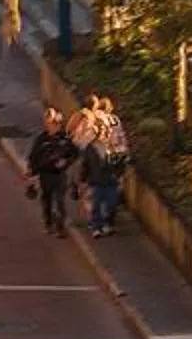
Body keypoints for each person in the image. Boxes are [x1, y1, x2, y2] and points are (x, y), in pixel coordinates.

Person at [82, 94, 130, 237]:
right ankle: (97, 227)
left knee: (112, 204)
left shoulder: (111, 144)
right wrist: (83, 178)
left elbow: (119, 156)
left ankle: (107, 224)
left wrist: (119, 172)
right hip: (97, 179)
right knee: (96, 205)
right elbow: (86, 163)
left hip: (109, 179)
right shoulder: (91, 146)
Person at [26, 108, 79, 236]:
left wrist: (66, 162)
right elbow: (33, 157)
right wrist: (30, 174)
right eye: (47, 121)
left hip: (60, 175)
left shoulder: (65, 139)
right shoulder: (41, 139)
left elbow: (74, 154)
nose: (50, 124)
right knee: (47, 200)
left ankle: (60, 227)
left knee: (60, 201)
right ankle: (48, 223)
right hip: (45, 175)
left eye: (52, 122)